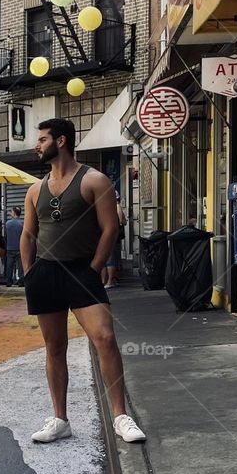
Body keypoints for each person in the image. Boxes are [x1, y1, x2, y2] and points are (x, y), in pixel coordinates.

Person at [21, 118, 146, 445]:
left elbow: (110, 229)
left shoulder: (94, 180)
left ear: (60, 141)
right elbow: (28, 234)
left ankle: (120, 416)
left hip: (81, 271)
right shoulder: (36, 189)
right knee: (54, 346)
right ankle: (60, 419)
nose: (37, 145)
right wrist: (29, 272)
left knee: (104, 337)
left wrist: (93, 268)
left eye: (42, 139)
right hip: (45, 273)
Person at [102, 192, 127, 289]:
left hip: (107, 236)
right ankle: (109, 280)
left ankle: (107, 281)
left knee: (108, 260)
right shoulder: (116, 207)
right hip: (113, 236)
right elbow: (122, 222)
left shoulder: (106, 207)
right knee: (110, 260)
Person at [4, 207, 24, 286]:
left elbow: (5, 235)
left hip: (10, 248)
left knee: (9, 266)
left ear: (14, 213)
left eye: (11, 212)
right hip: (20, 248)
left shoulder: (7, 223)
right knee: (20, 266)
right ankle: (21, 282)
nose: (10, 213)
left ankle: (9, 282)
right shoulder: (22, 224)